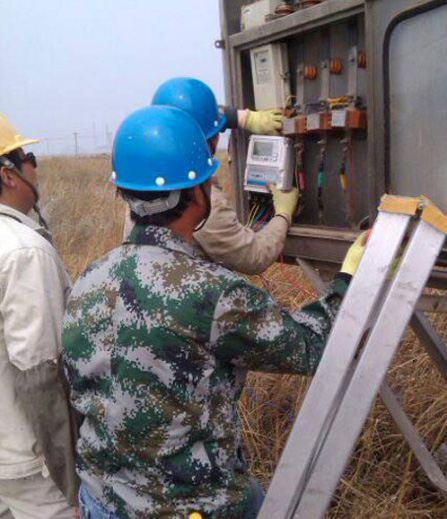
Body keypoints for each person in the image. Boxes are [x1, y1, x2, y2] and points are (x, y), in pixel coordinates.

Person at [63, 105, 367, 519]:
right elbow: (313, 345)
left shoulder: (88, 279)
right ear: (197, 193)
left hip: (99, 501)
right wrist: (350, 275)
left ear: (125, 193)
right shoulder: (212, 292)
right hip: (190, 506)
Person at [123, 77, 299, 275]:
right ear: (210, 143)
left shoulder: (141, 183)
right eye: (217, 131)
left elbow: (187, 117)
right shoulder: (202, 200)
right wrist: (283, 215)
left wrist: (245, 118)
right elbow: (253, 256)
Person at [0, 112, 78, 518]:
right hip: (30, 468)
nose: (35, 166)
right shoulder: (23, 252)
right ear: (9, 174)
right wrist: (70, 482)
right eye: (28, 158)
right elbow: (41, 376)